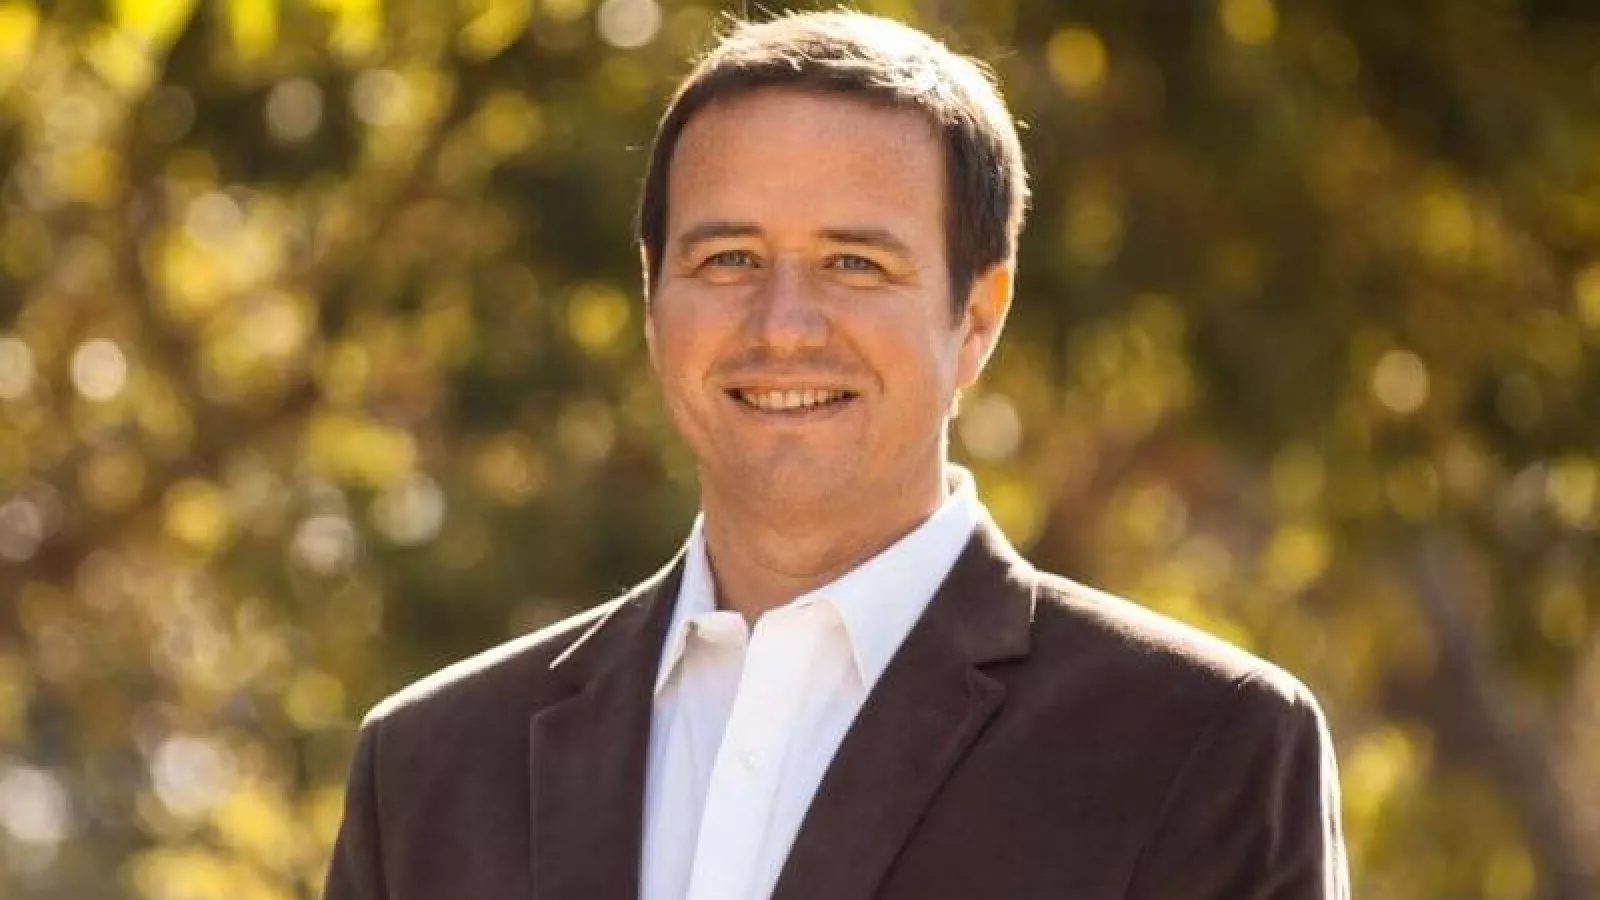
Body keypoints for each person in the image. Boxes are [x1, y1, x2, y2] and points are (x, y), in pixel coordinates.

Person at [323, 11, 1349, 900]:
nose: (783, 325)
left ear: (977, 316)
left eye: (855, 263)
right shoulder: (429, 769)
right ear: (652, 297)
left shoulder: (1201, 745)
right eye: (728, 259)